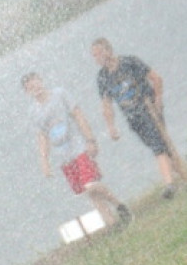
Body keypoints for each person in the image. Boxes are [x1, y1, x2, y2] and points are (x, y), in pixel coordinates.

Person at [21, 72, 131, 228]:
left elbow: (78, 116)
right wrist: (44, 161)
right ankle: (112, 223)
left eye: (36, 83)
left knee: (90, 185)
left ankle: (118, 204)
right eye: (31, 87)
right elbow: (42, 137)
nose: (35, 88)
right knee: (88, 192)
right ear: (27, 92)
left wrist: (90, 140)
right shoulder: (34, 112)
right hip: (63, 156)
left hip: (78, 147)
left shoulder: (60, 94)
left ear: (42, 81)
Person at [90, 37, 185, 198]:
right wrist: (111, 127)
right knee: (161, 147)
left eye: (99, 53)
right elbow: (106, 105)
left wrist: (158, 100)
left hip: (149, 110)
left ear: (108, 50)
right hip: (133, 118)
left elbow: (156, 78)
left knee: (158, 147)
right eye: (94, 56)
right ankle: (183, 175)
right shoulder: (103, 77)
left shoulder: (129, 62)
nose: (97, 58)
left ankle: (169, 185)